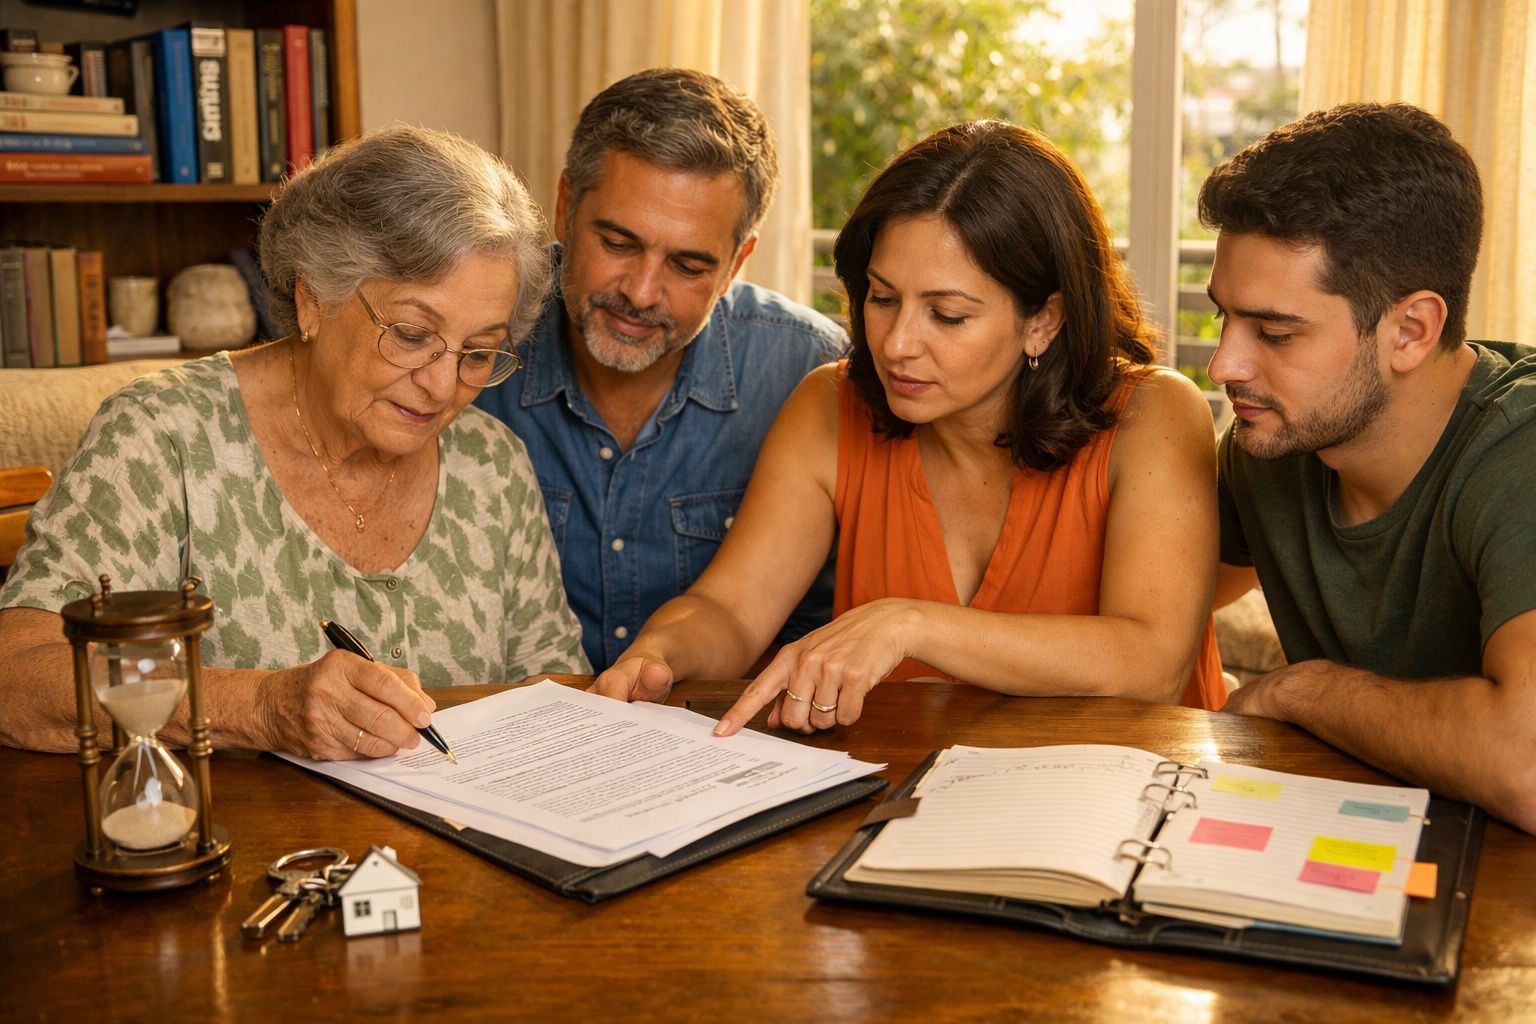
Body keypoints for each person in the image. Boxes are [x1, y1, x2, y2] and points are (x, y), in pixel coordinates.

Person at [593, 120, 1227, 730]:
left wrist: (910, 625)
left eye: (946, 315)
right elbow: (729, 610)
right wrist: (659, 654)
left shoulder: (1155, 415)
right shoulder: (830, 404)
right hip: (911, 787)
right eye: (883, 298)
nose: (896, 345)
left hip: (1139, 790)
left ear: (1043, 320)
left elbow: (1152, 665)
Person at [0, 126, 588, 759]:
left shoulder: (493, 463)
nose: (443, 386)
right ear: (314, 298)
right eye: (412, 334)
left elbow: (555, 691)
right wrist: (258, 705)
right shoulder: (162, 436)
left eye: (477, 352)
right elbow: (17, 677)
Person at [1200, 102, 1536, 834]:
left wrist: (1303, 690)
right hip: (1364, 843)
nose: (1225, 365)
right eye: (1224, 317)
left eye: (1275, 332)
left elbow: (1529, 766)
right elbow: (1155, 609)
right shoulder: (1275, 442)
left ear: (1410, 330)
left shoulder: (1520, 455)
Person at [474, 68, 845, 672]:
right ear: (565, 206)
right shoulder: (477, 338)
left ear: (736, 264)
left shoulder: (811, 368)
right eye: (618, 244)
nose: (641, 293)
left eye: (688, 266)